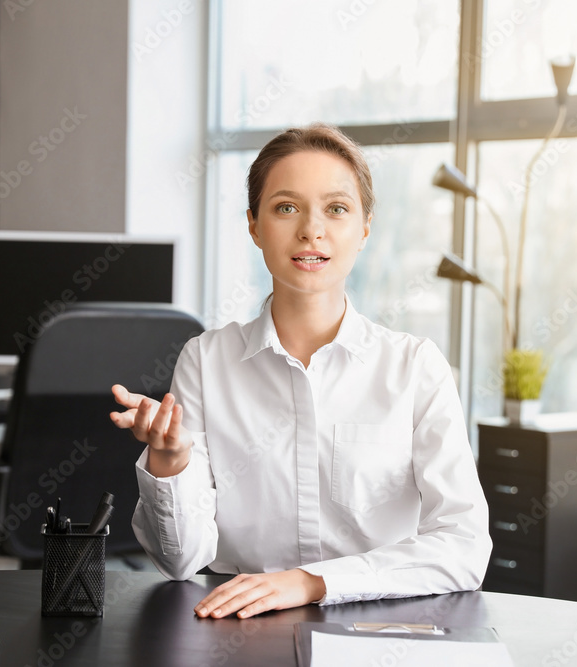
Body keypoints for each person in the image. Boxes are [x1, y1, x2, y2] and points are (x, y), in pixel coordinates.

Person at [109, 122, 491, 620]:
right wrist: (170, 461)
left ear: (365, 227)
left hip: (380, 631)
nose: (312, 229)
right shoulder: (206, 360)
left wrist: (314, 583)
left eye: (336, 208)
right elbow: (181, 563)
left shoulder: (414, 367)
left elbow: (463, 547)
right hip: (238, 630)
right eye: (286, 208)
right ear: (254, 225)